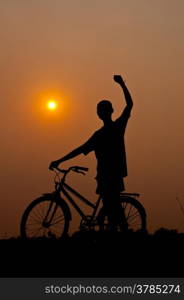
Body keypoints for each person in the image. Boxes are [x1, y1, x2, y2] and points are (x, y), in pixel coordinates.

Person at [49, 75, 133, 230]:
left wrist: (122, 84)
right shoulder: (101, 134)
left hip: (111, 175)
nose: (101, 112)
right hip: (106, 175)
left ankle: (123, 230)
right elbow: (80, 149)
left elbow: (129, 105)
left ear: (105, 113)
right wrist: (60, 160)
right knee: (111, 206)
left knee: (112, 206)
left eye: (102, 110)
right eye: (100, 110)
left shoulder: (113, 129)